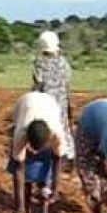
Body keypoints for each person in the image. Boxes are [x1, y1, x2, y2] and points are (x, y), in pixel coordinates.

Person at [7, 91, 66, 213]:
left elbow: (57, 161)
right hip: (24, 104)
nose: (34, 151)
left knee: (45, 169)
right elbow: (19, 169)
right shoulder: (20, 133)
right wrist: (18, 207)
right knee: (26, 167)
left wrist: (55, 188)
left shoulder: (57, 134)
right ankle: (24, 208)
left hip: (50, 105)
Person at [33, 30, 75, 165]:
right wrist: (69, 104)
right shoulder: (64, 62)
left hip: (45, 103)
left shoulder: (39, 63)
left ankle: (49, 156)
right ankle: (66, 155)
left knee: (45, 129)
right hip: (61, 101)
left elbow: (38, 84)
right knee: (62, 127)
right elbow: (67, 84)